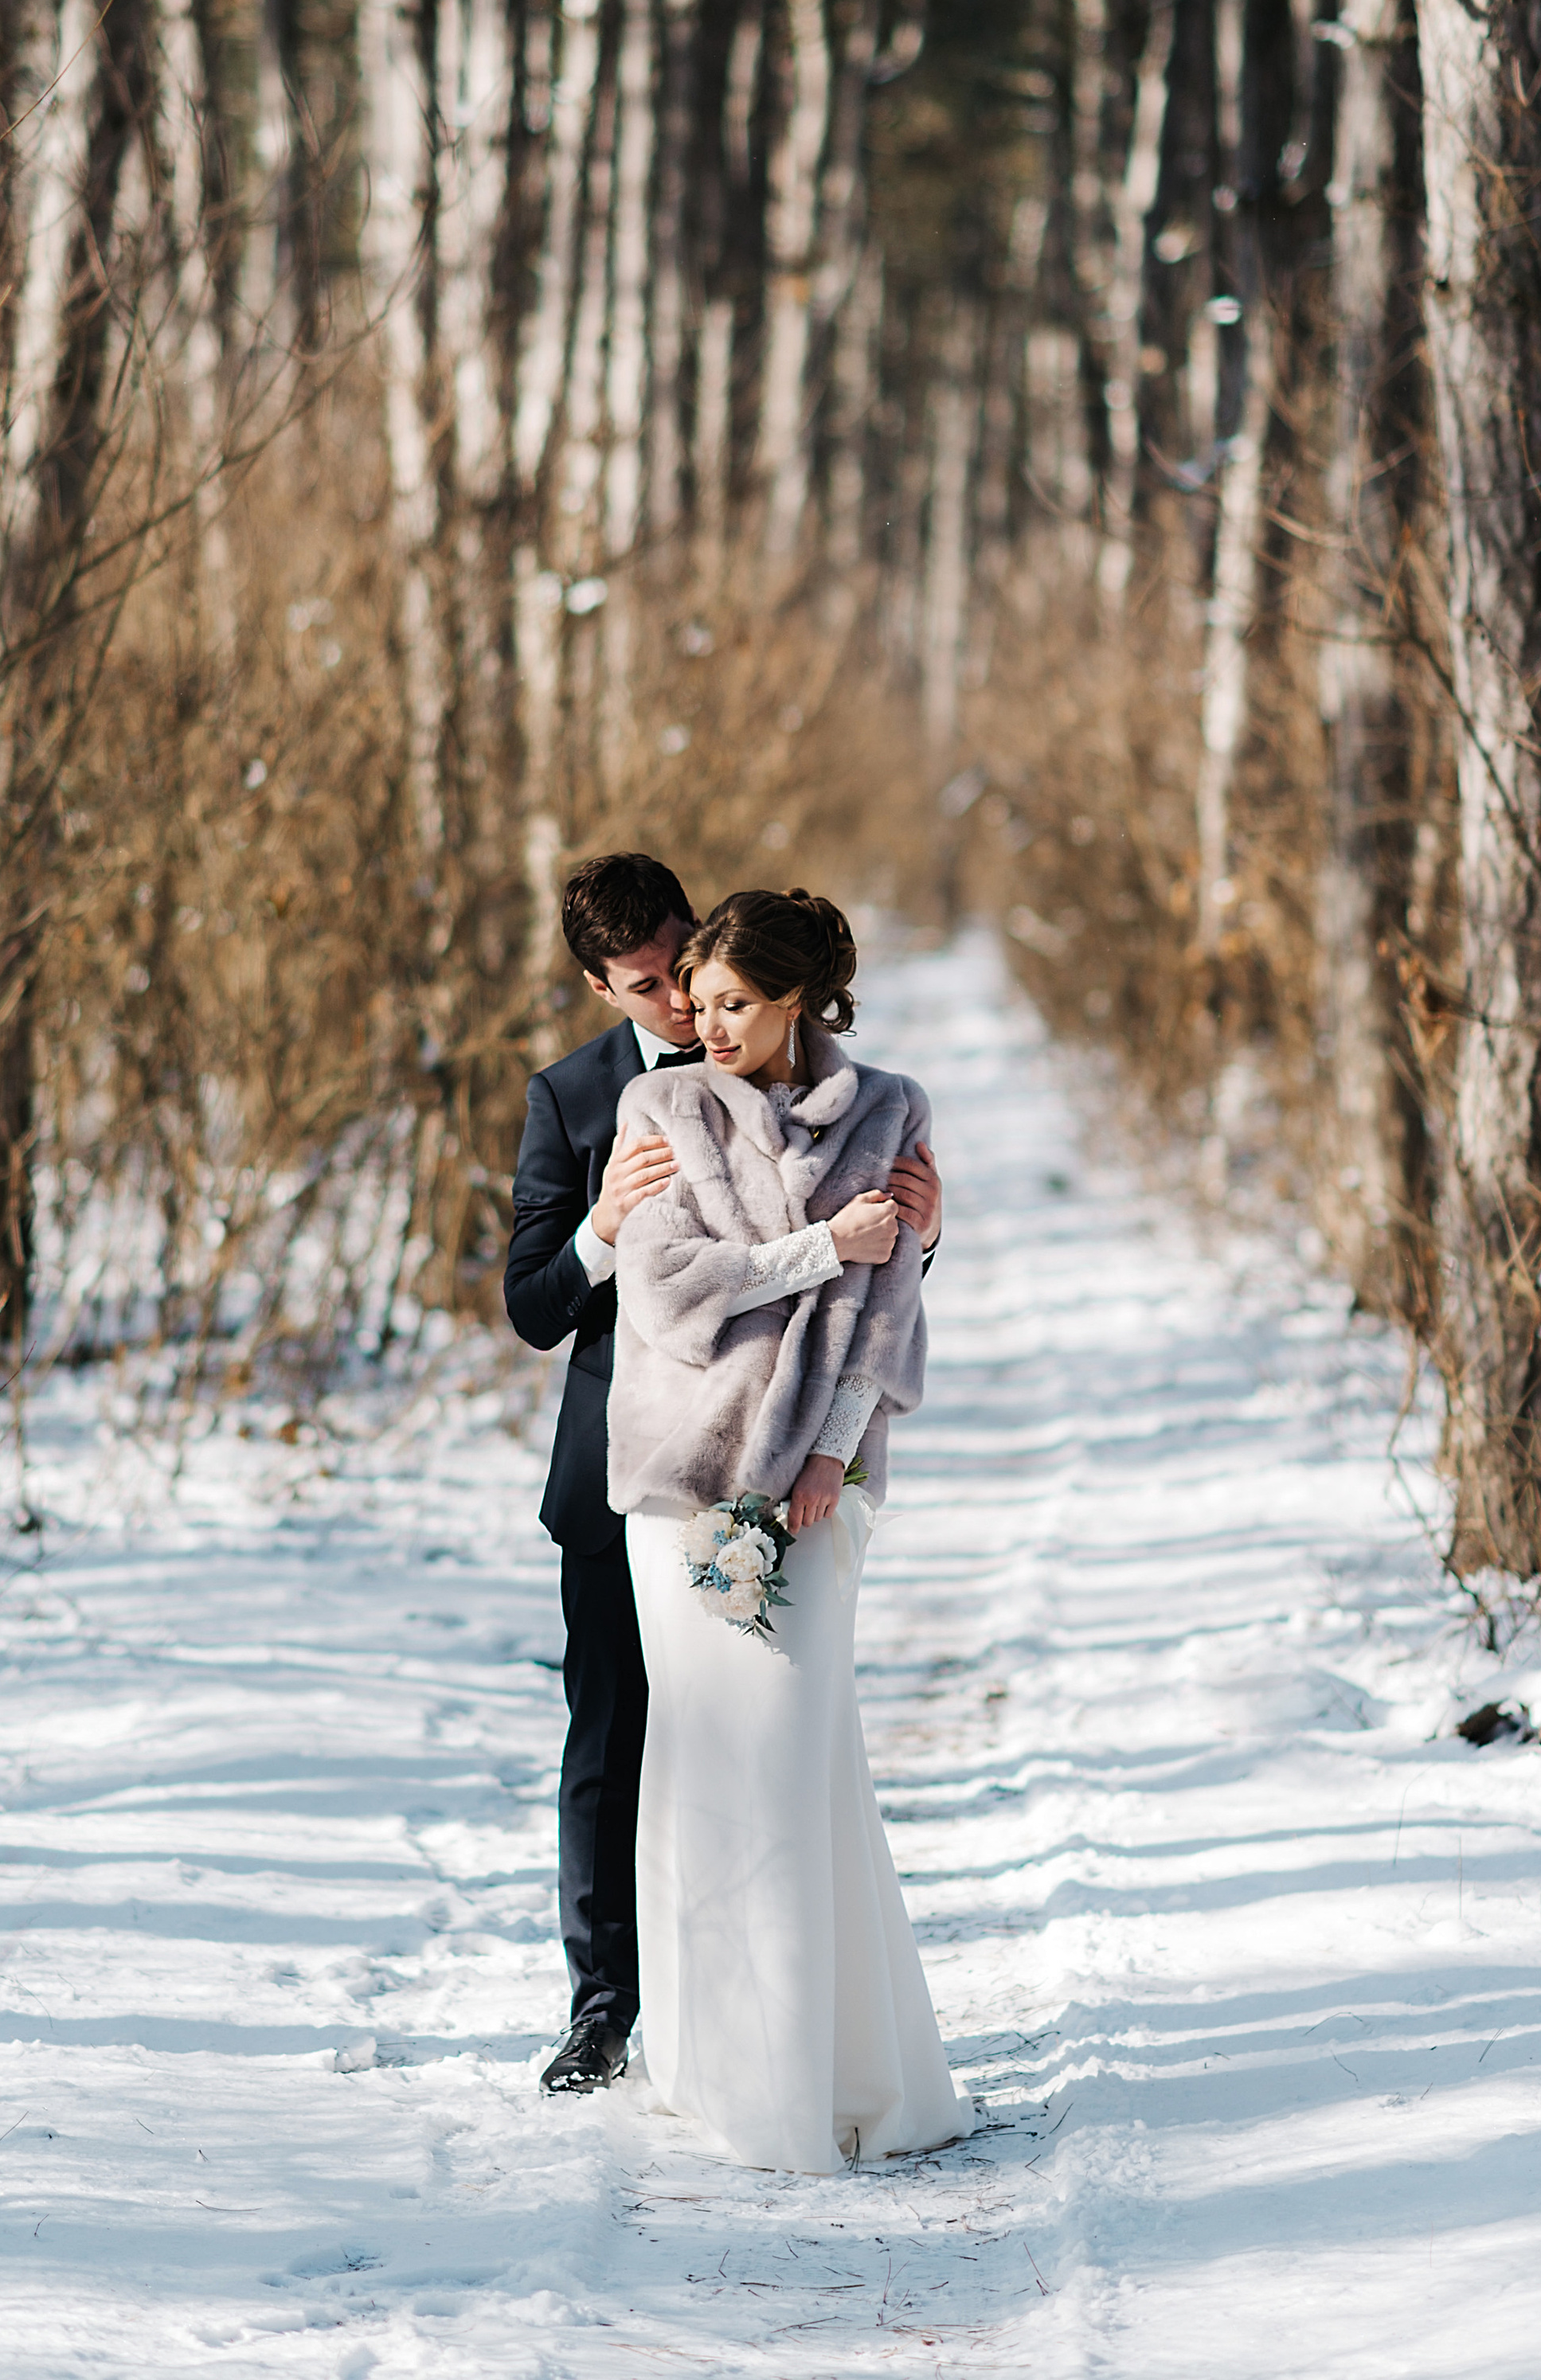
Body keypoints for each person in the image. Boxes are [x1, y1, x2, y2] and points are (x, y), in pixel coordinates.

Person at [506, 856, 941, 2099]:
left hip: (798, 1457)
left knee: (774, 1747)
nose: (682, 1008)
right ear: (602, 985)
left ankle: (785, 2030)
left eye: (685, 968)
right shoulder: (582, 1099)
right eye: (646, 988)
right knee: (617, 1739)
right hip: (631, 1464)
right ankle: (607, 2011)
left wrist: (922, 1225)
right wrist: (601, 1228)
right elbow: (534, 1307)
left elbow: (877, 1289)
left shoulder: (822, 1071)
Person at [606, 888, 972, 2174]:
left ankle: (840, 2071)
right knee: (706, 1767)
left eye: (736, 1006)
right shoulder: (659, 1111)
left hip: (816, 1492)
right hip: (681, 1482)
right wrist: (826, 1241)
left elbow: (886, 1310)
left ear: (802, 1000)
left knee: (804, 1765)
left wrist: (828, 1453)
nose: (708, 1027)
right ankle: (720, 2075)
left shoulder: (890, 1110)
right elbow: (670, 1295)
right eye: (695, 1004)